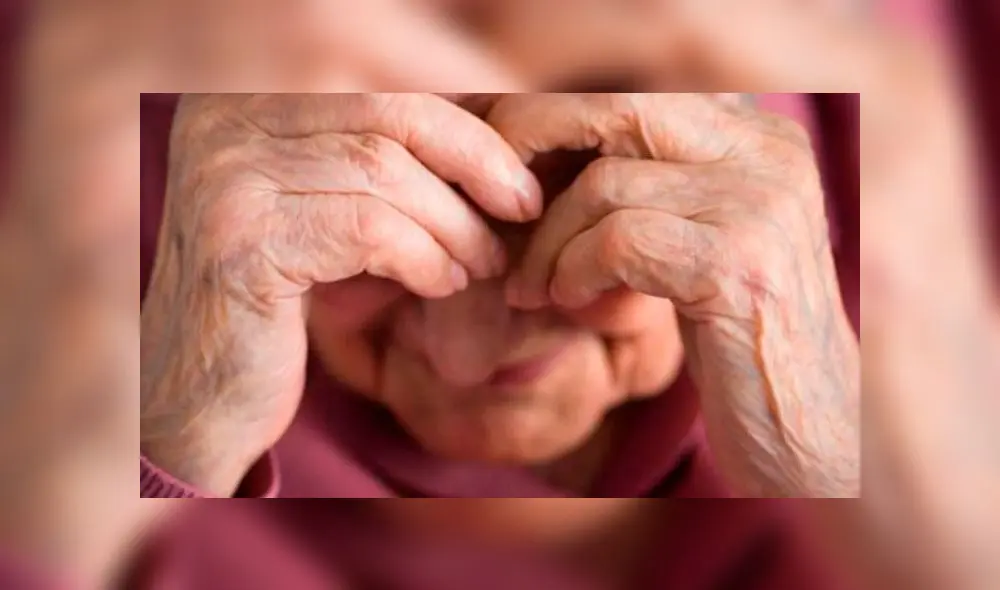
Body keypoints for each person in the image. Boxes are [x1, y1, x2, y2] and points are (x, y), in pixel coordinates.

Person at [3, 2, 999, 590]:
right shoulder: (63, 102)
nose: (467, 359)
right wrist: (97, 445)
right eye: (346, 170)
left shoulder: (950, 128)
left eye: (592, 174)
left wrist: (905, 495)